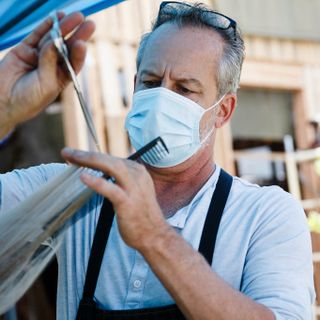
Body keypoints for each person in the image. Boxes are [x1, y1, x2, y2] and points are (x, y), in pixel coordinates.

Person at [0, 2, 315, 319]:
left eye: (184, 88)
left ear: (223, 110)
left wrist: (155, 237)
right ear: (134, 86)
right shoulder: (79, 191)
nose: (162, 98)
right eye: (151, 83)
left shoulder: (264, 215)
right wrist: (4, 110)